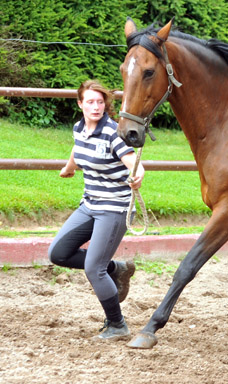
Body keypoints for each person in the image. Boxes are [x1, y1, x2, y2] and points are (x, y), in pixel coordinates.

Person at [48, 79, 144, 340]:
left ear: (105, 105)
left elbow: (133, 161)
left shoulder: (113, 132)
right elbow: (77, 146)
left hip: (114, 209)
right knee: (58, 253)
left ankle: (117, 325)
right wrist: (69, 167)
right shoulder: (79, 127)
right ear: (80, 104)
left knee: (94, 269)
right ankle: (117, 269)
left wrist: (137, 175)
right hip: (90, 205)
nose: (95, 106)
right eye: (90, 102)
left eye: (100, 102)